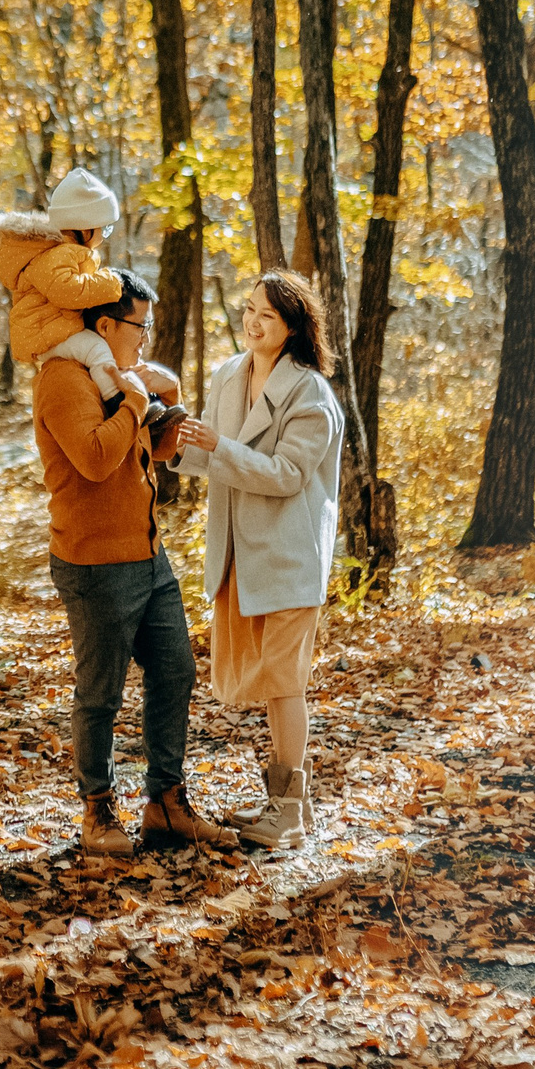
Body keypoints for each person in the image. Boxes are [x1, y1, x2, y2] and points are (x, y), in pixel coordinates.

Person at [34, 267, 239, 856]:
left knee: (175, 671)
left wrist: (167, 398)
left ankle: (165, 803)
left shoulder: (118, 378)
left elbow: (162, 447)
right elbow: (97, 458)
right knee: (100, 693)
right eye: (139, 327)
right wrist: (134, 401)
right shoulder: (63, 380)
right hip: (95, 562)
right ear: (105, 325)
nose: (146, 338)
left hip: (148, 554)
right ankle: (97, 811)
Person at [176, 269, 345, 850]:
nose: (252, 322)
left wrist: (217, 447)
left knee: (285, 682)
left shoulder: (311, 393)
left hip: (289, 555)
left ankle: (289, 813)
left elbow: (288, 475)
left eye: (266, 315)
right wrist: (168, 439)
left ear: (292, 326)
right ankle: (285, 805)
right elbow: (207, 453)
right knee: (270, 681)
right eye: (249, 309)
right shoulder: (229, 374)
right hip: (238, 554)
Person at [0, 168, 128, 396]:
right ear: (85, 229)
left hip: (51, 328)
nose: (105, 236)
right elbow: (68, 291)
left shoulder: (62, 253)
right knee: (96, 350)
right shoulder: (59, 254)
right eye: (105, 228)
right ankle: (116, 398)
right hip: (45, 333)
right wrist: (111, 283)